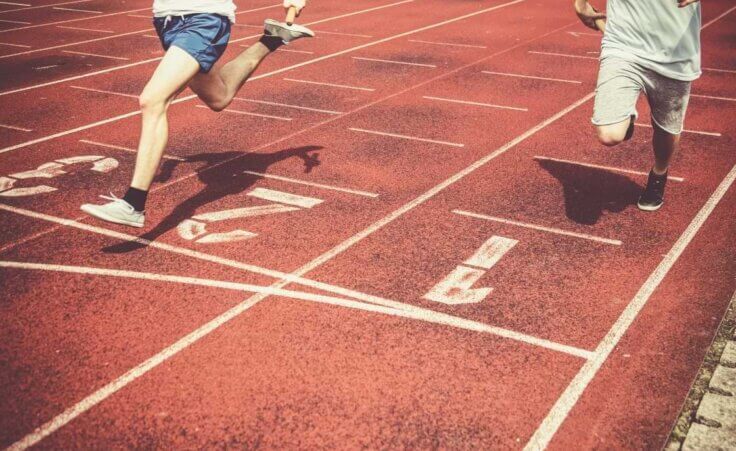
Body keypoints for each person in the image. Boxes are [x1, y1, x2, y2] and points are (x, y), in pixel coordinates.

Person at [81, 0, 313, 227]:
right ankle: (272, 38)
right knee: (218, 97)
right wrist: (169, 167)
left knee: (153, 100)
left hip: (203, 21)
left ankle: (134, 204)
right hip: (168, 21)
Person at [574, 0, 701, 211]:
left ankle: (659, 173)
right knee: (609, 133)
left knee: (666, 130)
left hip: (675, 56)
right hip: (623, 47)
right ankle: (626, 113)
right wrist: (580, 4)